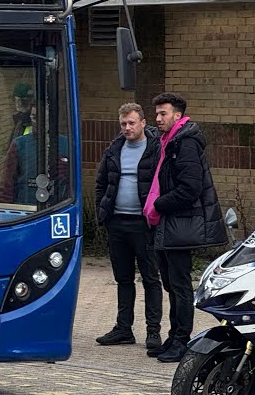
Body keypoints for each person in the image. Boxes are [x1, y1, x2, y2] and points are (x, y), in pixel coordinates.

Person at [145, 92, 228, 363]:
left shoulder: (186, 143)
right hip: (167, 224)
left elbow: (190, 189)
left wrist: (158, 205)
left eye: (163, 113)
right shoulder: (168, 141)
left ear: (178, 115)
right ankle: (173, 336)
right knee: (171, 284)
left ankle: (182, 340)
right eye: (156, 113)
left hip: (180, 225)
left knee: (180, 286)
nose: (158, 118)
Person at [93, 103, 163, 352]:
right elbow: (101, 183)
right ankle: (123, 329)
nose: (127, 128)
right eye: (123, 123)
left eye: (132, 123)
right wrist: (103, 213)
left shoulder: (157, 148)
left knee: (150, 278)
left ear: (143, 122)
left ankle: (153, 331)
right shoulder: (114, 149)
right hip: (117, 223)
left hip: (144, 225)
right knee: (123, 278)